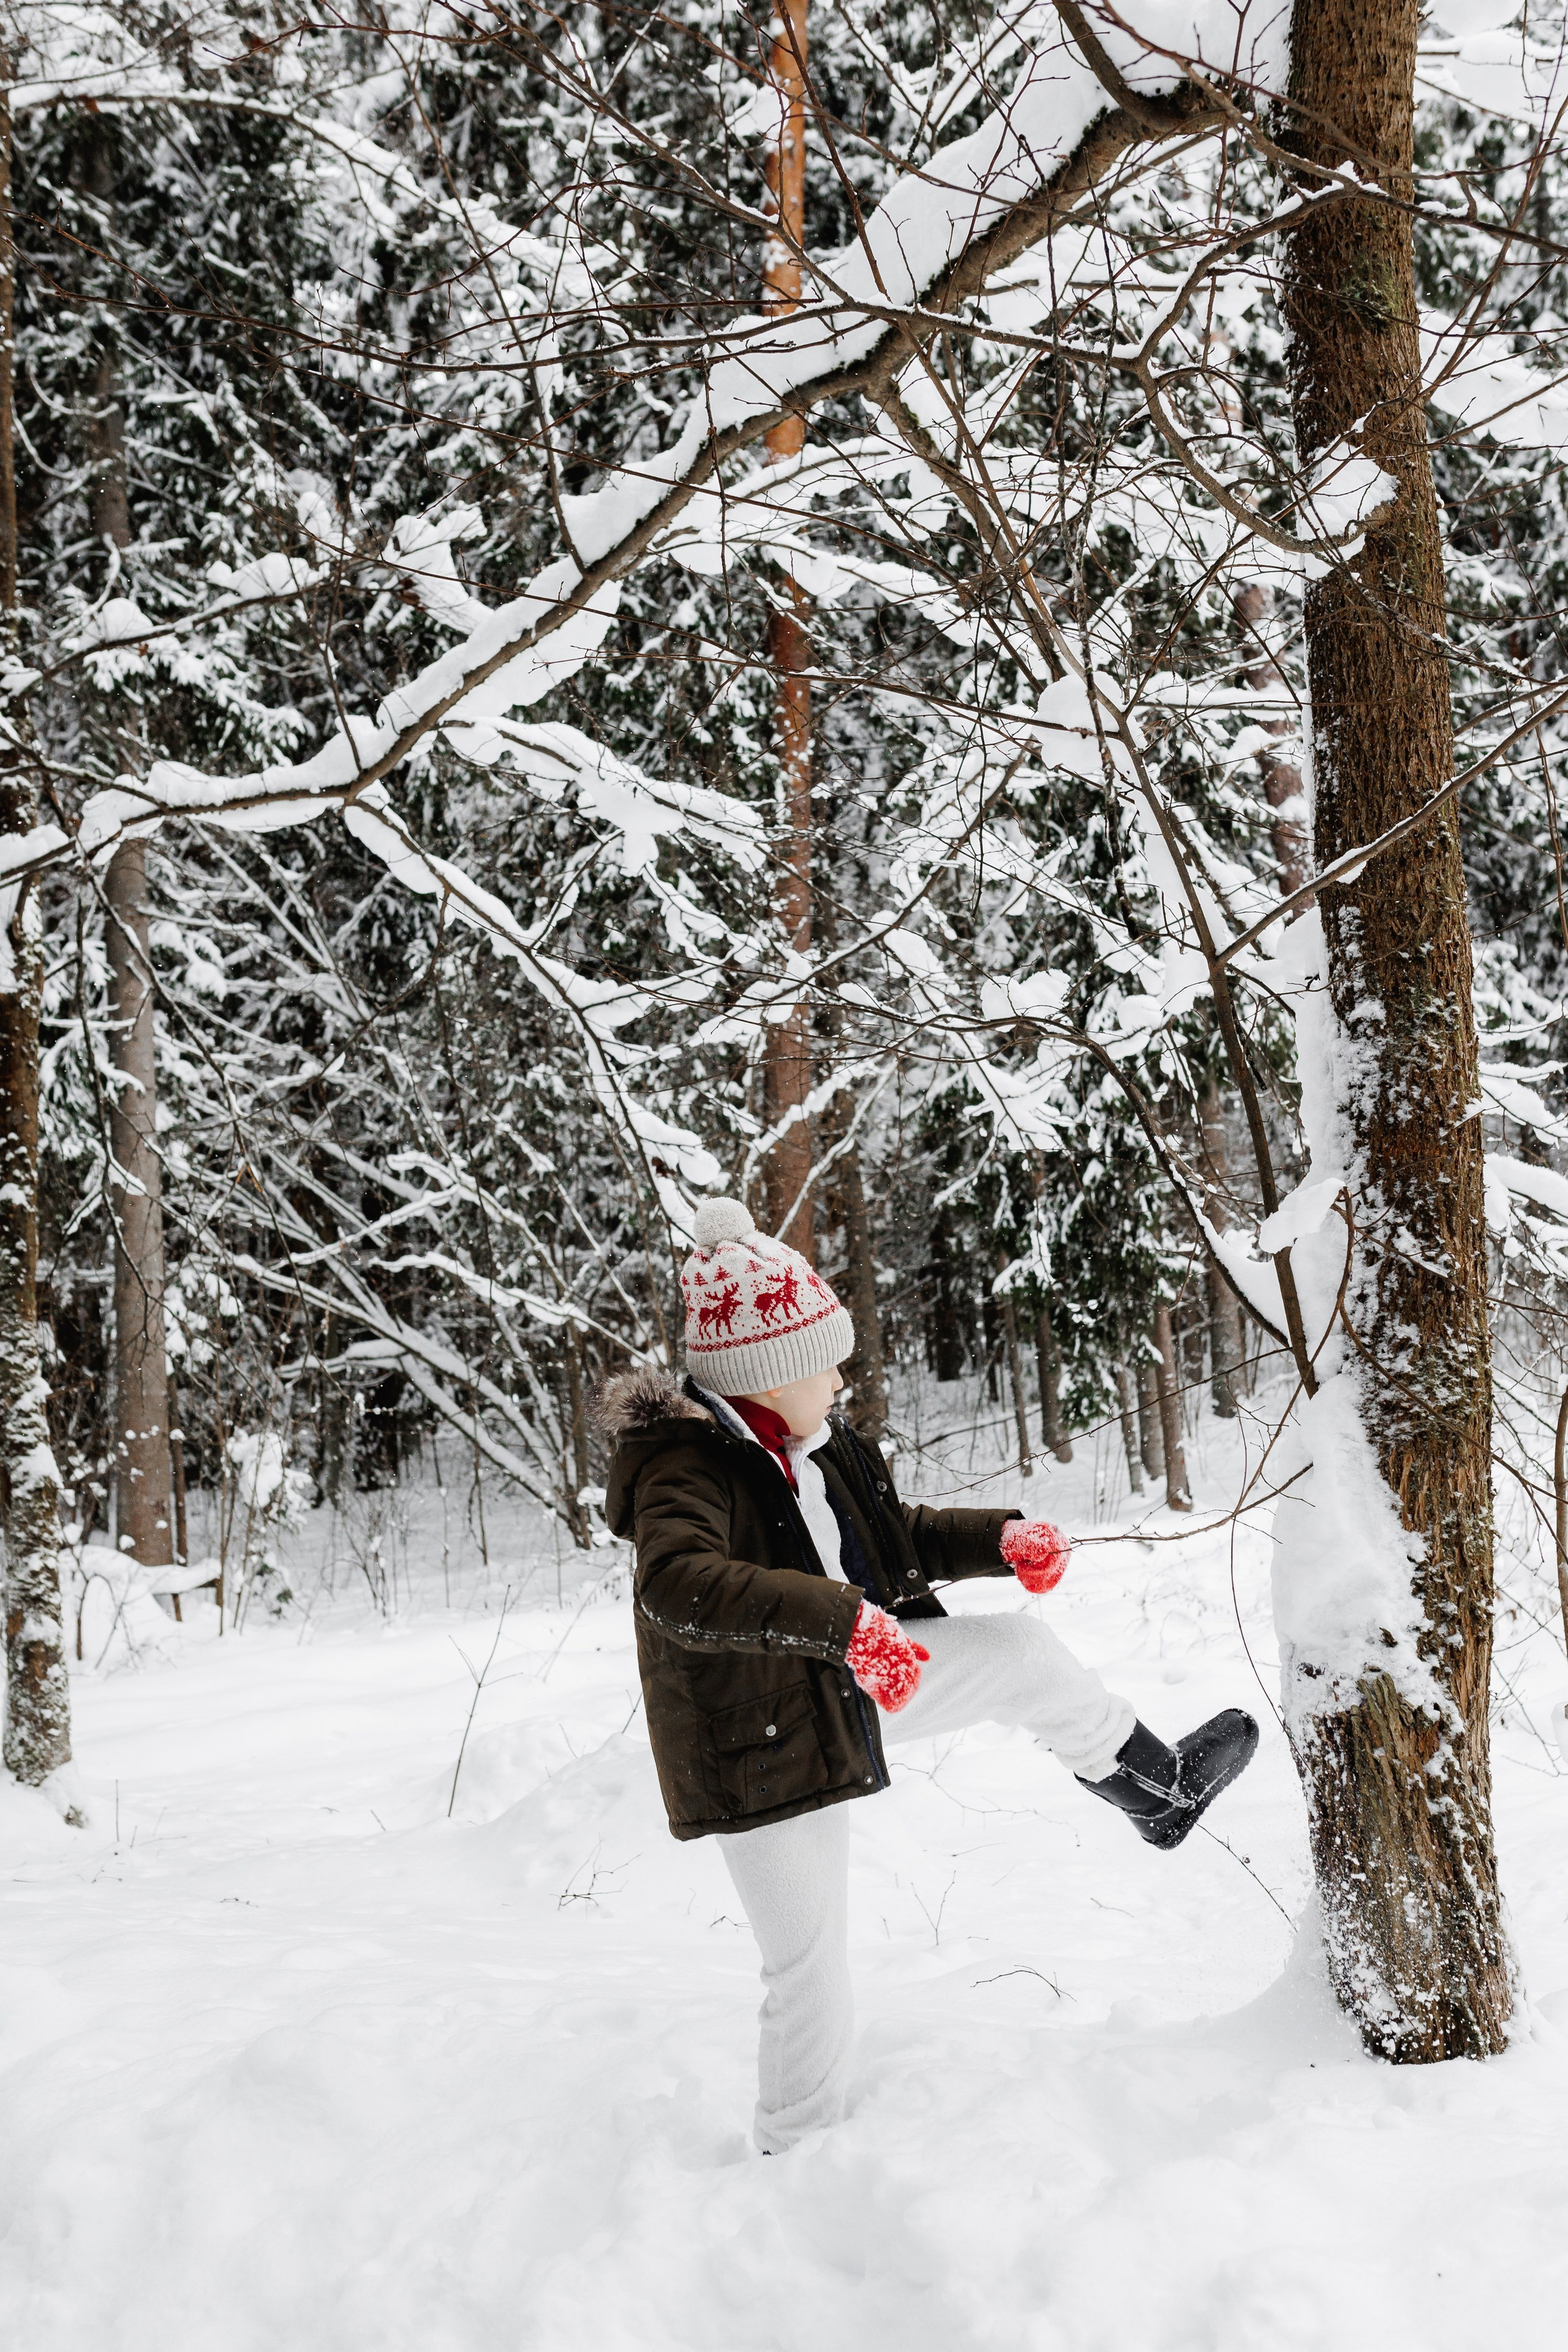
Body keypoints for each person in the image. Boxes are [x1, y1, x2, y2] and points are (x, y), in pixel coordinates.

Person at [598, 1196, 1257, 2154]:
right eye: (824, 1359)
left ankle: (1157, 1789)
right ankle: (794, 2149)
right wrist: (843, 1623)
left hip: (857, 1676)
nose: (840, 1374)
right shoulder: (684, 1473)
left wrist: (1001, 1538)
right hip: (758, 1736)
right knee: (808, 1967)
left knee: (1023, 1655)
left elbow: (893, 1537)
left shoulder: (822, 1449)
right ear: (770, 1373)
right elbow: (676, 1584)